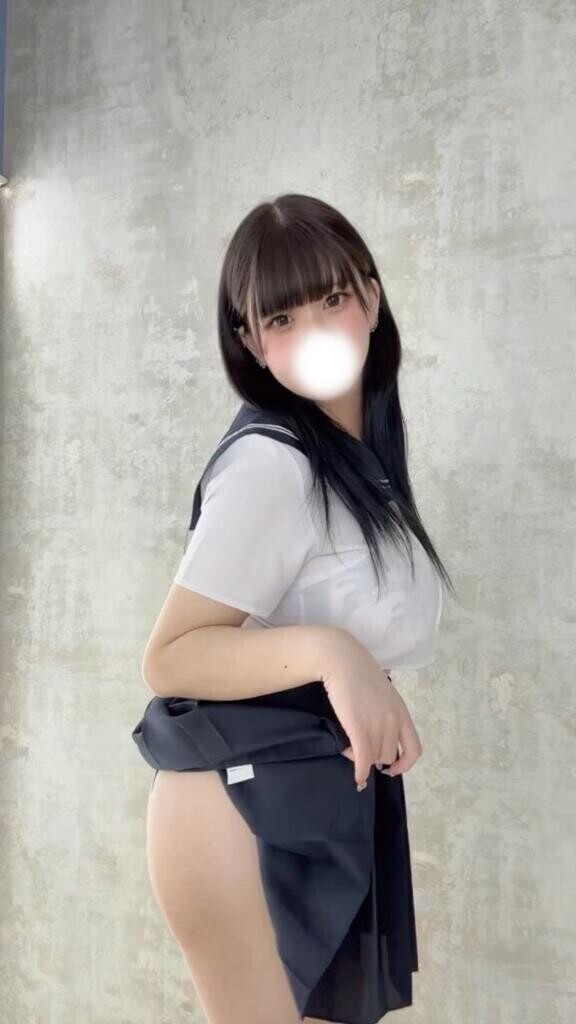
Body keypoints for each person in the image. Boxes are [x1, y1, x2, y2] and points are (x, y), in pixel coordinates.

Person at [140, 193, 455, 1024]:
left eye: (332, 299)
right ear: (251, 341)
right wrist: (334, 652)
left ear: (371, 298)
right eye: (282, 317)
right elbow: (171, 656)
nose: (314, 331)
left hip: (320, 789)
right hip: (244, 803)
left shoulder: (358, 457)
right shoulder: (272, 466)